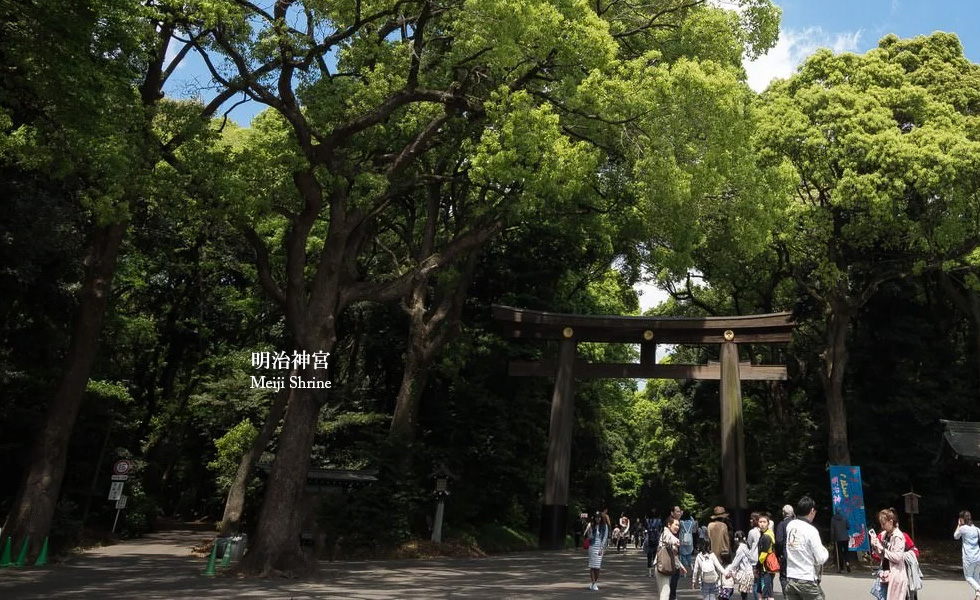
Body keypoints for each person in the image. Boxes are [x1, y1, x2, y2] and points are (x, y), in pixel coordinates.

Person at [784, 495, 828, 600]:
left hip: (791, 577)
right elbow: (820, 558)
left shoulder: (790, 526)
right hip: (807, 578)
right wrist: (825, 551)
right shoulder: (811, 530)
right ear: (812, 510)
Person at [869, 508, 908, 600]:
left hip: (895, 575)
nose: (882, 526)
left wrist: (882, 548)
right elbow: (883, 556)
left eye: (884, 523)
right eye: (881, 523)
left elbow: (897, 557)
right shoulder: (884, 535)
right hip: (884, 575)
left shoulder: (898, 536)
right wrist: (875, 546)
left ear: (891, 522)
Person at [657, 516, 688, 600]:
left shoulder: (669, 533)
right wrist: (676, 541)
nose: (677, 527)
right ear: (669, 524)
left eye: (678, 525)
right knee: (665, 593)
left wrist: (681, 566)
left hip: (665, 566)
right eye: (676, 525)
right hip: (662, 566)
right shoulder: (666, 533)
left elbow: (673, 555)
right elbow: (669, 538)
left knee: (666, 591)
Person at [954, 510, 980, 600]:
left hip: (968, 557)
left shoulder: (963, 528)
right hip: (978, 557)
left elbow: (956, 536)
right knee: (976, 577)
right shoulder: (977, 529)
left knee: (968, 577)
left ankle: (979, 589)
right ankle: (978, 596)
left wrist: (959, 525)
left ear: (962, 519)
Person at [726, 530, 756, 600]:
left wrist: (730, 570)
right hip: (749, 572)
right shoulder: (746, 547)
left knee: (743, 593)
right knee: (744, 593)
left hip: (744, 573)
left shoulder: (740, 549)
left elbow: (736, 562)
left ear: (736, 539)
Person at [584, 511, 610, 591]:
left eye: (598, 517)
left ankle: (595, 582)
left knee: (597, 567)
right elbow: (590, 536)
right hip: (592, 546)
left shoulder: (604, 526)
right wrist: (590, 531)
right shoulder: (592, 525)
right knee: (592, 566)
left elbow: (605, 537)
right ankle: (593, 582)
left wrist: (602, 548)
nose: (597, 519)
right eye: (596, 517)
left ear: (601, 518)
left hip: (599, 547)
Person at [774, 504, 794, 596]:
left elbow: (779, 541)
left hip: (786, 554)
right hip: (797, 554)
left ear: (784, 513)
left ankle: (787, 596)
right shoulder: (796, 523)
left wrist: (778, 554)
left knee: (784, 577)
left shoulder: (782, 525)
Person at [756, 513, 777, 600]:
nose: (762, 524)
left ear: (768, 523)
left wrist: (757, 565)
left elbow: (764, 554)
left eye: (764, 522)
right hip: (767, 568)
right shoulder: (766, 534)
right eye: (760, 522)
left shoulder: (766, 536)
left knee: (766, 592)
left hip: (766, 568)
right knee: (766, 591)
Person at [830, 508, 851, 573]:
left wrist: (832, 538)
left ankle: (841, 567)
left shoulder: (833, 519)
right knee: (846, 552)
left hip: (838, 538)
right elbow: (848, 527)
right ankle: (847, 563)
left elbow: (832, 529)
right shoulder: (844, 518)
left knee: (839, 553)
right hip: (845, 537)